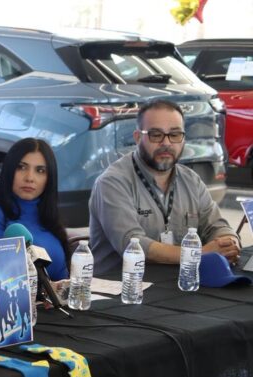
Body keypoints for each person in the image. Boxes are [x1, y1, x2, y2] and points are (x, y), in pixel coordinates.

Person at [89, 99, 240, 275]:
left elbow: (216, 225)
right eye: (156, 135)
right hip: (119, 285)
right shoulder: (113, 182)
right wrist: (199, 254)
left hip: (177, 282)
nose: (166, 143)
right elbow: (133, 245)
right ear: (138, 138)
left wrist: (228, 242)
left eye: (175, 134)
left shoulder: (191, 180)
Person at [0, 138, 70, 281]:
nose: (30, 178)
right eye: (21, 167)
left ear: (49, 177)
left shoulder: (49, 219)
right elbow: (0, 278)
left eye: (40, 170)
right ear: (9, 170)